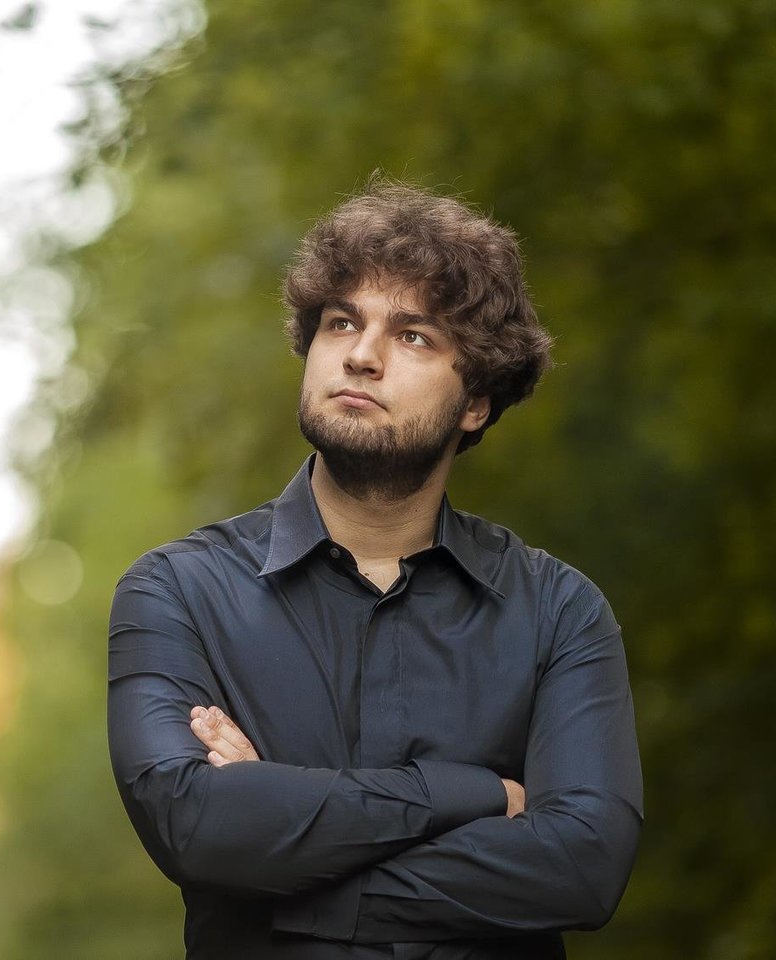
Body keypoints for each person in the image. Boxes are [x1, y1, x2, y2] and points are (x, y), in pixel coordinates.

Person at [108, 178, 643, 958]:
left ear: (476, 403)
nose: (361, 355)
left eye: (414, 336)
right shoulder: (178, 592)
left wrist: (282, 857)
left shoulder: (558, 611)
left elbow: (582, 868)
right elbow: (199, 827)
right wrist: (475, 795)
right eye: (341, 322)